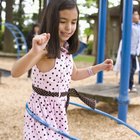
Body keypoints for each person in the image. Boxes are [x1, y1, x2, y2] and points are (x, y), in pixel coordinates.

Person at [11, 0, 113, 139]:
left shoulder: (65, 50)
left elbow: (75, 74)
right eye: (63, 21)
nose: (69, 27)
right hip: (41, 111)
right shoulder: (44, 51)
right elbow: (15, 72)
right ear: (52, 20)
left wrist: (100, 67)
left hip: (59, 110)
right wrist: (33, 52)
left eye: (73, 22)